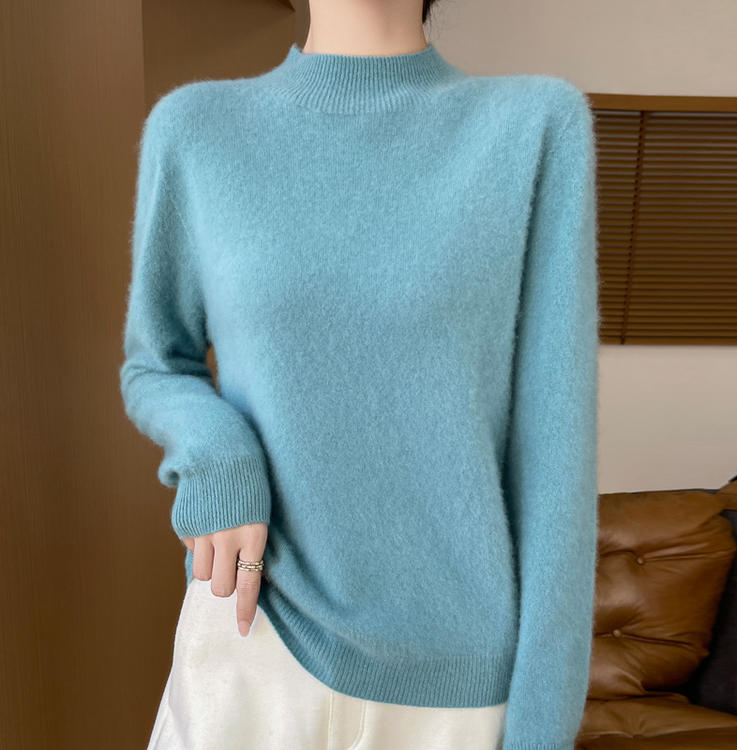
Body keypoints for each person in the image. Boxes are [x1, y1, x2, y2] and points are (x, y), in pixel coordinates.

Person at [118, 0, 600, 748]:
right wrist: (217, 451)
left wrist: (543, 728)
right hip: (251, 638)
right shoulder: (197, 128)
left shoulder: (532, 126)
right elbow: (156, 362)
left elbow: (555, 454)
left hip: (453, 684)